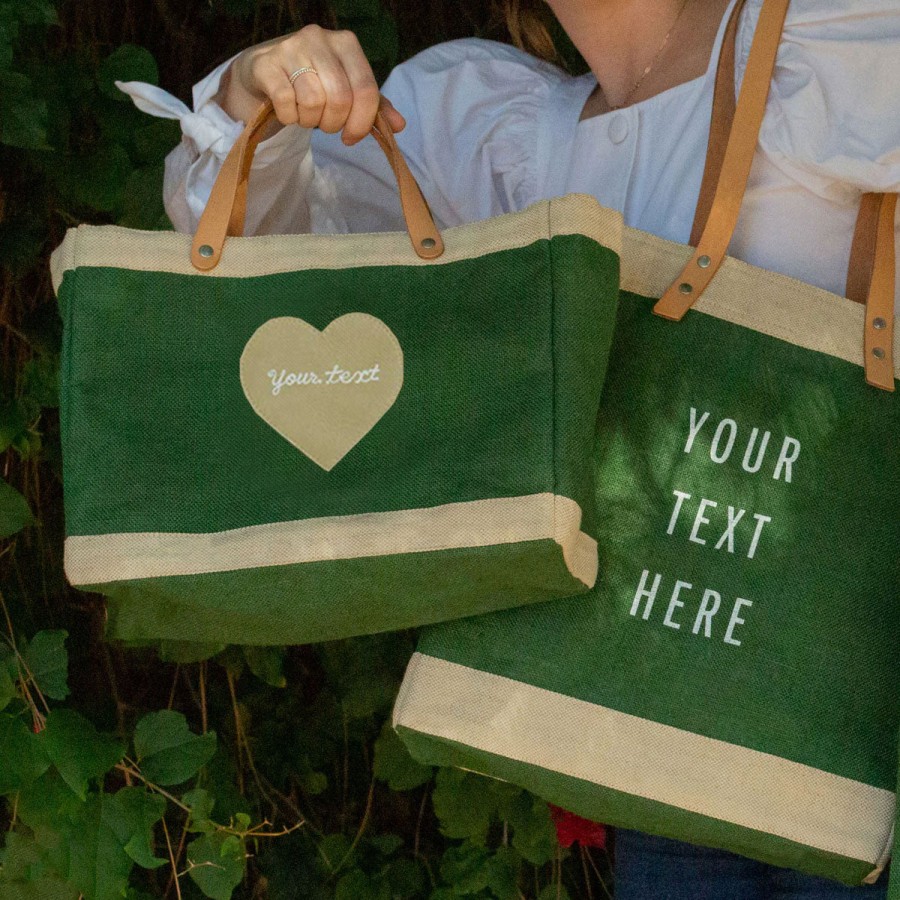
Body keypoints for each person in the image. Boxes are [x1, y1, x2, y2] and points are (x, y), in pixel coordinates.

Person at [117, 0, 898, 896]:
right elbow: (278, 279)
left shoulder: (832, 32)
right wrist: (263, 92)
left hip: (863, 735)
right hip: (664, 756)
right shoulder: (490, 126)